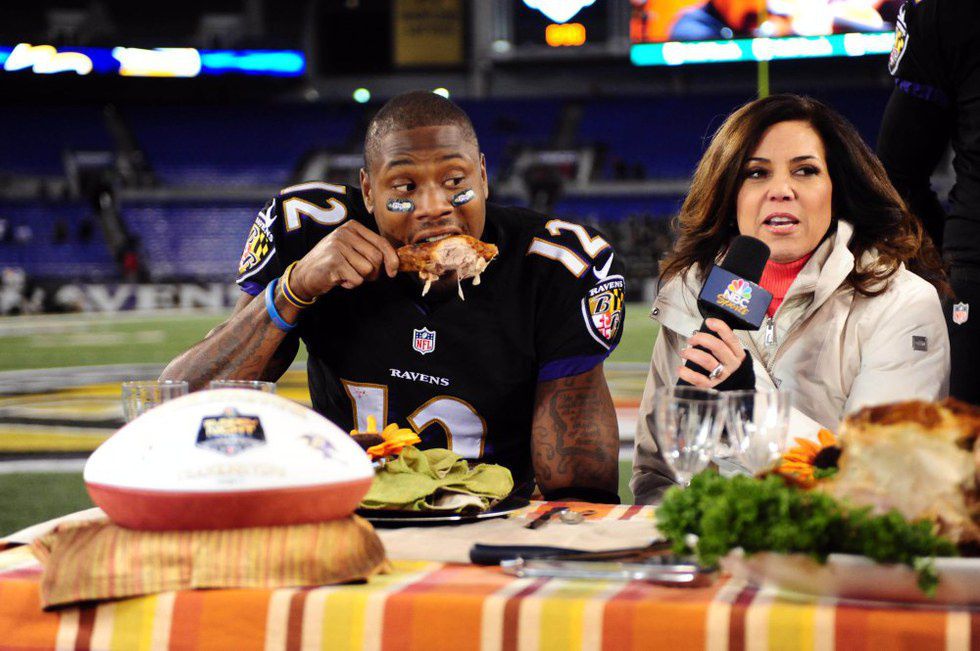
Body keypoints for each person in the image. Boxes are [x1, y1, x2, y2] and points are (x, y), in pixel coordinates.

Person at [161, 91, 624, 503]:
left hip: (493, 523)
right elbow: (179, 407)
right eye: (405, 188)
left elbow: (580, 489)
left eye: (455, 181)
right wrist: (294, 288)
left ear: (483, 177)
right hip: (347, 509)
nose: (434, 207)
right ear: (369, 191)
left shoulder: (557, 264)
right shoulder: (306, 231)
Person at [632, 94, 950, 503]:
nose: (781, 190)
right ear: (730, 194)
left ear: (837, 189)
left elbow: (877, 484)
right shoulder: (691, 295)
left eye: (805, 170)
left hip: (833, 541)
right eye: (756, 173)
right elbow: (659, 474)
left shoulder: (903, 303)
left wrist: (747, 404)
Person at [876, 0, 980, 405]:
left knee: (967, 443)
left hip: (975, 264)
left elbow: (897, 173)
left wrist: (953, 255)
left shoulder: (941, 12)